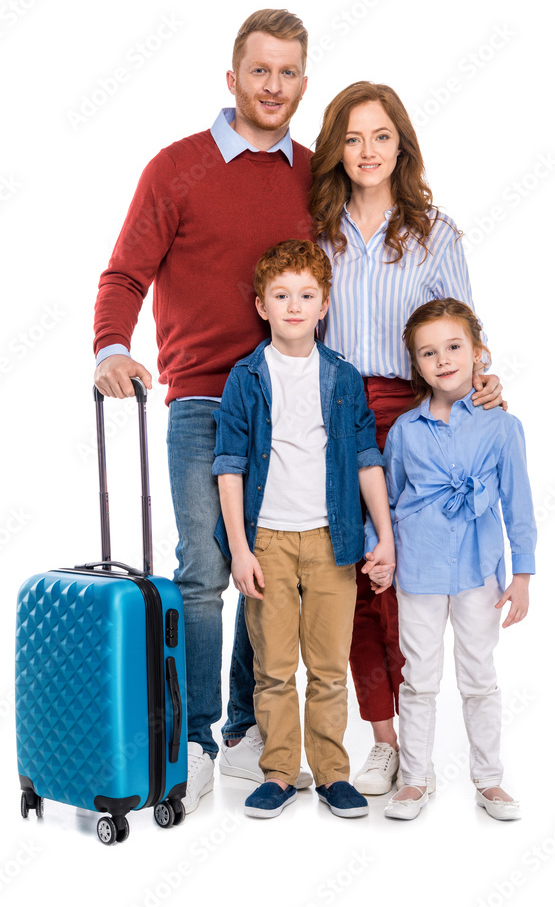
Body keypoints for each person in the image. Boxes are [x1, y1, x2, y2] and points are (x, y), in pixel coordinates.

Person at [93, 9, 314, 811]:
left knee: (273, 569)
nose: (273, 86)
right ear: (232, 78)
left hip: (289, 405)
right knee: (203, 572)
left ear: (302, 82)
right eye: (260, 70)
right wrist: (110, 347)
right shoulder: (177, 167)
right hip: (201, 401)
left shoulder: (314, 173)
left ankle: (248, 729)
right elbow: (125, 273)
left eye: (288, 72)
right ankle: (193, 737)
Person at [307, 81, 504, 796]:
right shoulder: (316, 230)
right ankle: (384, 740)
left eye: (381, 136)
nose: (367, 151)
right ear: (336, 149)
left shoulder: (433, 233)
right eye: (353, 137)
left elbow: (462, 332)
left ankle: (424, 748)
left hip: (408, 416)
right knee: (357, 578)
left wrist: (483, 382)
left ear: (401, 146)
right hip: (332, 412)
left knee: (407, 578)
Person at [213, 239, 395, 818]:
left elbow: (366, 458)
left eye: (306, 295)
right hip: (266, 540)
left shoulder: (342, 377)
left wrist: (385, 536)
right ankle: (279, 773)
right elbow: (229, 466)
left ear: (324, 305)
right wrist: (240, 549)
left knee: (327, 668)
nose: (294, 306)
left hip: (332, 540)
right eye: (281, 295)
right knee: (271, 669)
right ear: (261, 305)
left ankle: (333, 775)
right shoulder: (246, 377)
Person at [364, 298, 536, 820]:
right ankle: (415, 779)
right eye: (428, 352)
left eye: (454, 347)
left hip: (480, 572)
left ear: (478, 352)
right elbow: (389, 500)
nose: (443, 360)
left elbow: (518, 504)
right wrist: (380, 552)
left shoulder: (502, 427)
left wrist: (523, 574)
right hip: (418, 571)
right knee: (419, 677)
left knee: (479, 675)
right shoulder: (405, 430)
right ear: (416, 365)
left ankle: (489, 780)